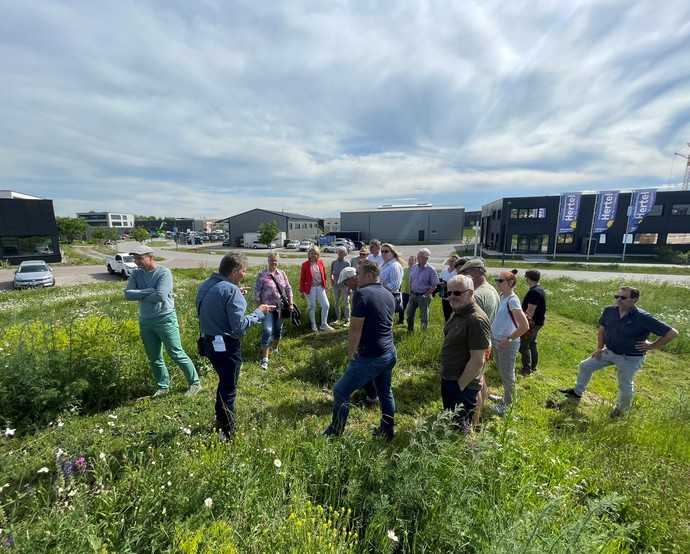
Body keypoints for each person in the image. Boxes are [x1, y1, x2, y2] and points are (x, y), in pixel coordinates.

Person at [556, 286, 678, 417]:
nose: (619, 300)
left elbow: (672, 333)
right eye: (617, 296)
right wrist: (599, 348)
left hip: (630, 358)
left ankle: (621, 411)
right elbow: (602, 330)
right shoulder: (609, 311)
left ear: (634, 299)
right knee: (585, 366)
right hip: (609, 352)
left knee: (624, 385)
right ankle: (577, 392)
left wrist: (653, 345)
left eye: (623, 297)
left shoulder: (643, 317)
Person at [197, 253, 274, 440]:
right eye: (244, 271)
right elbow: (238, 329)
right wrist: (258, 312)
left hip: (208, 343)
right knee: (229, 388)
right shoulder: (232, 291)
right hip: (226, 347)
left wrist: (236, 294)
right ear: (234, 271)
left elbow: (210, 307)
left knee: (223, 382)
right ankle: (227, 433)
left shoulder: (206, 285)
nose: (245, 274)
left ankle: (219, 419)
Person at [324, 261, 397, 440]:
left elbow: (355, 328)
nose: (357, 276)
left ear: (370, 275)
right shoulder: (388, 293)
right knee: (385, 392)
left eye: (360, 273)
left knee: (341, 391)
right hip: (389, 352)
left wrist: (351, 354)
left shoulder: (362, 294)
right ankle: (387, 431)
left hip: (371, 355)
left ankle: (335, 431)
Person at [124, 245, 201, 398]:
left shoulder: (164, 273)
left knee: (176, 352)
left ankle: (195, 383)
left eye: (140, 258)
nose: (136, 261)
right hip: (145, 320)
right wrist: (149, 291)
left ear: (150, 257)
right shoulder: (136, 274)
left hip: (165, 318)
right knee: (154, 357)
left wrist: (140, 294)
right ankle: (163, 386)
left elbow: (160, 296)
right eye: (135, 258)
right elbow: (127, 294)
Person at [440, 275, 492, 433]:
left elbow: (478, 361)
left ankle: (466, 452)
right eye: (448, 293)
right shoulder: (458, 312)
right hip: (450, 378)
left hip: (462, 384)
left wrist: (459, 386)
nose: (451, 297)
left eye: (457, 293)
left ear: (470, 293)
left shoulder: (476, 319)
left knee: (461, 429)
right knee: (453, 421)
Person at [491, 270, 530, 415]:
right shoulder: (502, 296)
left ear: (510, 283)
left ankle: (508, 406)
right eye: (497, 280)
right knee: (502, 371)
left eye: (500, 281)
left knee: (507, 374)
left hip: (506, 343)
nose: (497, 283)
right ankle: (505, 398)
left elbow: (524, 326)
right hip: (497, 340)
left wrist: (508, 339)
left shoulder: (513, 300)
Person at [338, 265, 378, 404]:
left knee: (361, 368)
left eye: (345, 282)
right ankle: (372, 393)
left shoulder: (361, 293)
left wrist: (352, 350)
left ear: (353, 279)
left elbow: (357, 326)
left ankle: (372, 397)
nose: (345, 285)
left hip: (368, 338)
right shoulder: (359, 291)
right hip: (371, 337)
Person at [254, 252, 293, 370]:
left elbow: (288, 288)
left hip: (281, 308)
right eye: (271, 260)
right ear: (268, 261)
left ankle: (275, 349)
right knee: (267, 330)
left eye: (275, 260)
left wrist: (290, 303)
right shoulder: (262, 274)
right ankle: (264, 359)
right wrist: (259, 308)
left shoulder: (282, 273)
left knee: (277, 330)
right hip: (267, 308)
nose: (273, 262)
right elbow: (257, 292)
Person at [299, 246, 334, 332]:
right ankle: (313, 325)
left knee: (326, 305)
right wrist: (302, 291)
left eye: (315, 253)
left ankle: (323, 324)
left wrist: (325, 285)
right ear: (309, 254)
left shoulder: (321, 262)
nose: (313, 255)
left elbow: (324, 275)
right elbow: (302, 279)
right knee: (312, 306)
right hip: (310, 288)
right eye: (311, 253)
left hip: (320, 287)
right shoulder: (305, 265)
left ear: (318, 254)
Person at [519, 270, 546, 375]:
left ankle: (526, 369)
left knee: (524, 346)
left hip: (532, 323)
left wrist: (522, 324)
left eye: (526, 277)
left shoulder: (534, 292)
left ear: (528, 278)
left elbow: (530, 311)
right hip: (538, 322)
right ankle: (533, 367)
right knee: (532, 344)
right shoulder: (540, 289)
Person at [457, 258, 500, 323]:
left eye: (465, 273)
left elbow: (469, 324)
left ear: (476, 272)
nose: (463, 277)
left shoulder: (475, 296)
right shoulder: (493, 290)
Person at [406, 248, 439, 331]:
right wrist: (410, 292)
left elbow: (434, 285)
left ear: (426, 258)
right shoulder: (414, 267)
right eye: (418, 255)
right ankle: (410, 330)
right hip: (413, 295)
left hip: (424, 296)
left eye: (420, 256)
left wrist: (426, 295)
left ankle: (423, 333)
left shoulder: (431, 270)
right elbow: (411, 280)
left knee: (424, 316)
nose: (418, 257)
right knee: (409, 314)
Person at [379, 243, 404, 321]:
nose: (383, 253)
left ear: (393, 253)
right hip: (381, 295)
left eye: (386, 251)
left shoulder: (394, 266)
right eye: (382, 251)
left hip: (389, 297)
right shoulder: (383, 264)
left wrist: (380, 285)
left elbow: (395, 286)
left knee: (386, 321)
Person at [330, 246, 352, 326]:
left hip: (345, 286)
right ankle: (338, 319)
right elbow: (331, 273)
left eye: (342, 252)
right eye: (339, 252)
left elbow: (350, 276)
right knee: (336, 303)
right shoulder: (333, 262)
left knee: (346, 302)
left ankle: (347, 320)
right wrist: (331, 281)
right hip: (336, 286)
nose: (340, 254)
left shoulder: (347, 263)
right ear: (337, 253)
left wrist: (350, 288)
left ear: (345, 254)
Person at [439, 255, 459, 322]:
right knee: (446, 314)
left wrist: (447, 285)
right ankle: (447, 329)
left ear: (456, 262)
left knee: (454, 315)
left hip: (454, 297)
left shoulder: (457, 272)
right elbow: (440, 281)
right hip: (444, 296)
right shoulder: (444, 271)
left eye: (453, 261)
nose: (451, 262)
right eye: (450, 261)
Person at [399, 255, 415, 325]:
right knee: (402, 307)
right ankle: (401, 320)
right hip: (404, 291)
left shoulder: (415, 271)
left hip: (412, 292)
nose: (410, 262)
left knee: (410, 309)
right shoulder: (404, 270)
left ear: (415, 262)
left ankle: (409, 322)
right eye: (409, 260)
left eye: (412, 260)